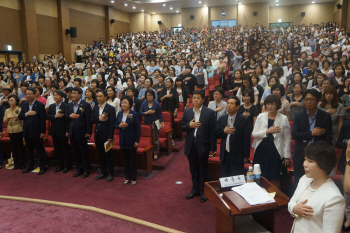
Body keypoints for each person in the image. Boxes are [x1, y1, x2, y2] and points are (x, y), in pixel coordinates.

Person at [288, 141, 345, 233]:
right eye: (305, 159)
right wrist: (294, 209)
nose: (304, 164)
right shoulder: (304, 179)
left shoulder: (334, 198)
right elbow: (291, 202)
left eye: (310, 161)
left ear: (323, 164)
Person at [292, 89, 332, 189]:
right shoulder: (298, 115)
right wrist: (311, 133)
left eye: (311, 99)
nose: (308, 102)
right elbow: (295, 134)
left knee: (317, 185)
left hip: (318, 157)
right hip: (300, 155)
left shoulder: (325, 116)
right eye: (306, 99)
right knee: (299, 183)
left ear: (318, 100)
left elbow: (328, 139)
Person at [180, 90, 216, 203]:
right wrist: (189, 125)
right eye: (194, 98)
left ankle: (204, 191)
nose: (195, 100)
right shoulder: (187, 112)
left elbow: (213, 132)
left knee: (203, 169)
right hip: (191, 144)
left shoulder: (209, 112)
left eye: (198, 98)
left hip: (203, 144)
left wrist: (212, 148)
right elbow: (181, 126)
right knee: (193, 169)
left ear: (202, 99)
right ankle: (194, 189)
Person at [252, 94, 291, 189]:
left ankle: (276, 199)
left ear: (277, 105)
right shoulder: (261, 116)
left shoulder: (283, 118)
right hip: (261, 149)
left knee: (275, 176)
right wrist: (268, 131)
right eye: (267, 104)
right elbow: (254, 134)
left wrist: (286, 156)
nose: (269, 106)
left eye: (272, 104)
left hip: (276, 151)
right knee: (259, 175)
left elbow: (287, 139)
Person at [216, 96, 251, 177]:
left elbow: (247, 139)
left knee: (237, 179)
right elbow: (217, 134)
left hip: (238, 155)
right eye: (227, 103)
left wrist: (246, 156)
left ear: (237, 107)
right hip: (224, 154)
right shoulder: (222, 119)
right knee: (225, 177)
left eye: (231, 103)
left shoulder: (244, 120)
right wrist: (224, 131)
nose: (228, 105)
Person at [18, 87, 47, 175]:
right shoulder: (25, 104)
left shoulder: (40, 105)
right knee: (29, 149)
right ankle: (30, 166)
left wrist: (43, 132)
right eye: (26, 94)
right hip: (27, 131)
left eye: (30, 94)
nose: (28, 96)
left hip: (37, 131)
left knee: (39, 149)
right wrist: (27, 114)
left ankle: (43, 166)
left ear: (35, 94)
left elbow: (43, 119)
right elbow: (20, 116)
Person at [65, 87, 92, 178]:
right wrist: (70, 116)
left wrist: (89, 132)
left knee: (83, 152)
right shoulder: (69, 105)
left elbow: (89, 119)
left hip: (82, 132)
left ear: (80, 94)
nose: (72, 95)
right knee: (75, 152)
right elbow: (66, 117)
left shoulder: (85, 105)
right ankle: (79, 169)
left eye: (75, 93)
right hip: (72, 132)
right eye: (72, 93)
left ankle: (87, 170)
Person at [91, 90, 116, 182]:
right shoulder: (95, 108)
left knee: (108, 155)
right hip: (97, 135)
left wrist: (110, 136)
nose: (98, 98)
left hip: (107, 135)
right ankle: (103, 172)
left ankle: (110, 173)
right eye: (97, 96)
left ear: (105, 97)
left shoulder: (110, 108)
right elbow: (92, 120)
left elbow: (112, 123)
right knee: (100, 154)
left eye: (101, 96)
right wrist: (99, 119)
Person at [115, 95, 141, 186]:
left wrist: (137, 141)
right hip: (122, 140)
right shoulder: (119, 113)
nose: (123, 104)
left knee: (132, 160)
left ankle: (133, 178)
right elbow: (115, 125)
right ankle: (127, 177)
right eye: (122, 102)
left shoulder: (134, 114)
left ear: (130, 104)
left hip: (132, 140)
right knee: (125, 160)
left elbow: (138, 129)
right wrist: (119, 126)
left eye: (126, 102)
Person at [45, 90, 70, 173]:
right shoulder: (51, 106)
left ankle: (67, 166)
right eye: (54, 95)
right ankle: (60, 165)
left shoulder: (66, 106)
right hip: (54, 131)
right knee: (57, 149)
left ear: (62, 97)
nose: (55, 97)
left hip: (63, 130)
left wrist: (67, 130)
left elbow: (68, 120)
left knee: (65, 149)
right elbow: (47, 116)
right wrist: (55, 116)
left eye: (57, 95)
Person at [4, 95, 26, 170]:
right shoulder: (7, 110)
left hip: (18, 129)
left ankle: (22, 163)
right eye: (9, 100)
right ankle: (16, 163)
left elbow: (22, 121)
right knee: (13, 147)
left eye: (12, 100)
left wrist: (24, 131)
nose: (10, 102)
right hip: (10, 130)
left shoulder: (19, 109)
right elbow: (4, 121)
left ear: (16, 101)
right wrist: (8, 117)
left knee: (20, 147)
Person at [140, 89, 164, 160]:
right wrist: (147, 112)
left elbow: (160, 115)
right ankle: (149, 152)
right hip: (146, 124)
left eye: (151, 95)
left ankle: (156, 153)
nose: (149, 96)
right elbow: (140, 112)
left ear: (153, 96)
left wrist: (161, 123)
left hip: (155, 124)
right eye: (148, 95)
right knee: (148, 139)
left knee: (155, 139)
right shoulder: (144, 103)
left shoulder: (157, 104)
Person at [336, 125, 350, 230]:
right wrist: (348, 142)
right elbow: (339, 144)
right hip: (346, 163)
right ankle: (348, 218)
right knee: (347, 194)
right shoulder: (346, 127)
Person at [159, 78, 179, 145]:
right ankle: (164, 136)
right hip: (164, 109)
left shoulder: (174, 90)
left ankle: (172, 138)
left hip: (171, 110)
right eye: (166, 82)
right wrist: (165, 96)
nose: (166, 83)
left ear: (171, 83)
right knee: (163, 123)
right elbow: (160, 100)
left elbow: (177, 102)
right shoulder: (163, 90)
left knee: (171, 124)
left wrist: (175, 111)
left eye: (168, 82)